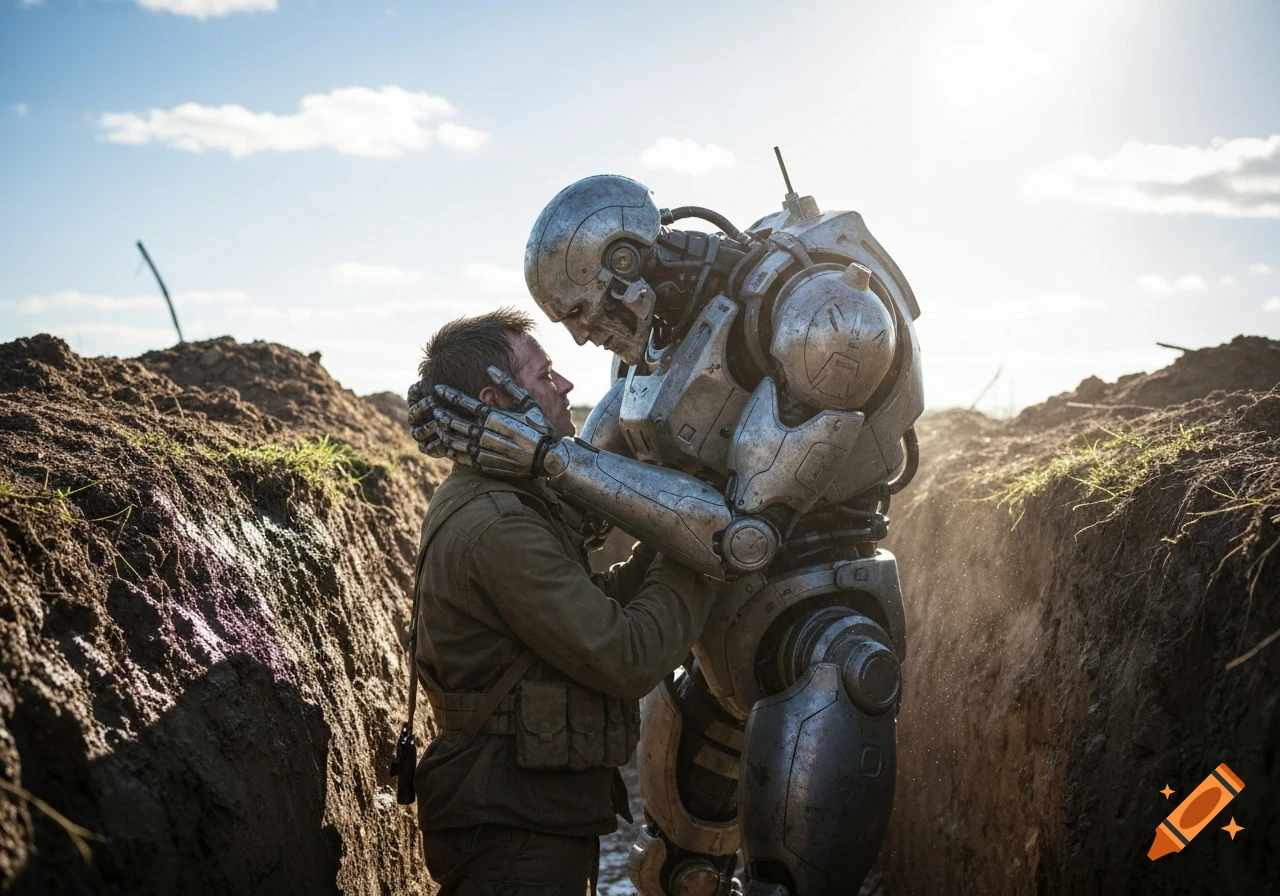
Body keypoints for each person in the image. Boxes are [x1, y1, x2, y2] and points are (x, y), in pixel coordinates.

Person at [407, 308, 716, 895]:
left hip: (522, 815)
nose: (565, 386)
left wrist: (669, 535)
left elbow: (589, 609)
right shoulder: (500, 527)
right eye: (544, 375)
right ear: (496, 399)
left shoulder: (500, 501)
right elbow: (625, 654)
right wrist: (705, 548)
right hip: (515, 834)